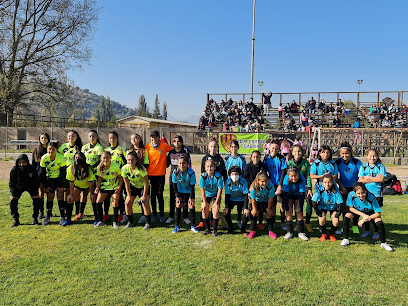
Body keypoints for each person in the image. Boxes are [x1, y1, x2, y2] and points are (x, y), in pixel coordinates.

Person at [341, 183, 393, 251]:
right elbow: (350, 208)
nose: (361, 195)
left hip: (370, 212)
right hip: (358, 210)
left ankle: (383, 243)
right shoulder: (351, 195)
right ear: (355, 192)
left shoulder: (371, 197)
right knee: (346, 217)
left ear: (366, 191)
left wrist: (365, 218)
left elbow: (378, 213)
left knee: (379, 222)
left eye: (363, 193)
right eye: (358, 193)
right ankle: (346, 239)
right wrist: (363, 215)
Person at [277, 144, 313, 232]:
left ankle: (306, 223)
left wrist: (309, 188)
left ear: (302, 152)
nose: (297, 153)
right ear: (292, 153)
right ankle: (291, 225)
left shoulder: (306, 163)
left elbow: (308, 176)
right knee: (288, 206)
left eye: (299, 151)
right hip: (291, 188)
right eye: (295, 151)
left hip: (302, 186)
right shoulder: (289, 163)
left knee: (308, 201)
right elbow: (287, 177)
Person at [358, 149, 386, 240]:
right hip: (365, 194)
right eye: (370, 156)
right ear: (367, 156)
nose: (372, 158)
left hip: (377, 195)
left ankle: (377, 232)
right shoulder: (363, 167)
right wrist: (375, 178)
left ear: (377, 157)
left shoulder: (381, 166)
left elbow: (381, 180)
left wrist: (368, 178)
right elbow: (360, 180)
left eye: (374, 156)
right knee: (366, 212)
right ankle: (367, 230)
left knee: (375, 214)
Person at [146, 130, 173, 223]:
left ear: (158, 138)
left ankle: (161, 214)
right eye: (152, 137)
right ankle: (154, 214)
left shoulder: (164, 146)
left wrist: (167, 162)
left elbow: (173, 151)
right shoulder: (147, 146)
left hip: (161, 175)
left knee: (160, 195)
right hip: (150, 175)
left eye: (155, 137)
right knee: (152, 196)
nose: (153, 139)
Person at [335, 143, 362, 234]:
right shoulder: (338, 162)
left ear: (350, 153)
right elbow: (335, 177)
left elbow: (361, 175)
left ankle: (355, 226)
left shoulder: (356, 162)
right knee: (344, 207)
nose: (345, 155)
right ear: (340, 154)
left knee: (356, 207)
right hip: (344, 188)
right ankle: (345, 225)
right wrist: (341, 187)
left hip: (355, 188)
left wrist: (357, 188)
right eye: (342, 154)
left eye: (347, 153)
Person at [9, 154, 41, 227]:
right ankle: (16, 220)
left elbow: (36, 180)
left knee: (37, 200)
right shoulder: (14, 169)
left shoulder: (31, 169)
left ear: (27, 162)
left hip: (30, 186)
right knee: (13, 201)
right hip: (19, 187)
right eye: (20, 163)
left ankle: (35, 219)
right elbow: (11, 183)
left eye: (23, 163)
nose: (21, 164)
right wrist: (13, 194)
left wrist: (35, 192)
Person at [122, 151, 151, 230]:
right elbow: (126, 183)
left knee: (145, 203)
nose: (130, 162)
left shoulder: (141, 168)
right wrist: (128, 195)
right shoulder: (124, 169)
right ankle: (130, 223)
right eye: (129, 160)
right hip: (133, 187)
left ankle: (148, 223)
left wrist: (144, 196)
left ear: (136, 160)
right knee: (127, 203)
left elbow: (146, 183)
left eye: (132, 160)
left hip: (143, 187)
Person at [64, 152, 95, 226]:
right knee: (70, 199)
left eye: (79, 158)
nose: (77, 159)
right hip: (78, 186)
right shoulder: (71, 168)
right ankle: (68, 219)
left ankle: (97, 218)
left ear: (83, 159)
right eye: (76, 158)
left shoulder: (88, 168)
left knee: (93, 198)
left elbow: (91, 183)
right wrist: (71, 194)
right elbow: (71, 182)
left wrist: (92, 193)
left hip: (88, 185)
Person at [40, 142, 67, 225]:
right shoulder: (44, 158)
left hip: (59, 179)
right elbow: (42, 173)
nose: (51, 151)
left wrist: (61, 186)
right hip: (49, 180)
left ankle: (62, 217)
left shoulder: (61, 158)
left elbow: (63, 173)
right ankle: (47, 217)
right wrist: (46, 186)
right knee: (50, 197)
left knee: (60, 196)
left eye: (53, 149)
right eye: (49, 149)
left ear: (56, 150)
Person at [94, 151, 123, 228]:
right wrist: (97, 187)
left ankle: (115, 222)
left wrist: (119, 188)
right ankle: (101, 221)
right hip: (105, 187)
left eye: (107, 158)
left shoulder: (115, 166)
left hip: (114, 187)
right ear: (101, 158)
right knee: (98, 201)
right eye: (104, 158)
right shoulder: (99, 167)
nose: (105, 159)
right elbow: (99, 178)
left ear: (110, 158)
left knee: (115, 202)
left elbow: (121, 178)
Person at [126, 133, 150, 224]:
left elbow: (146, 164)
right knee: (128, 200)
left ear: (139, 139)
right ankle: (128, 218)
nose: (134, 140)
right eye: (132, 138)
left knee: (144, 200)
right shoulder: (128, 151)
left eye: (136, 138)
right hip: (132, 179)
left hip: (141, 177)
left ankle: (144, 216)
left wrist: (138, 170)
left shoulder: (144, 150)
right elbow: (127, 164)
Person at [80, 130, 104, 222]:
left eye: (93, 136)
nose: (91, 138)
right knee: (84, 193)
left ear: (97, 137)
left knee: (93, 194)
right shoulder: (84, 147)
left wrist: (90, 168)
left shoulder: (99, 147)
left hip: (94, 173)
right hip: (85, 173)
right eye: (90, 136)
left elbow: (98, 161)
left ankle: (96, 215)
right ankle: (80, 213)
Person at [167, 135, 190, 224]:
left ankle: (185, 216)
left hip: (183, 178)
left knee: (184, 197)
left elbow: (189, 164)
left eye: (178, 141)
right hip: (173, 178)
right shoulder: (171, 153)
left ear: (182, 142)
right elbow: (166, 164)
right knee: (173, 196)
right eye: (175, 141)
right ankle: (171, 216)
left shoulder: (185, 152)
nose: (177, 143)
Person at [312, 174, 343, 242]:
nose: (327, 184)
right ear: (322, 183)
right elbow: (314, 201)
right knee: (321, 219)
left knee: (335, 221)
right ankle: (324, 234)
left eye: (329, 182)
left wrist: (338, 212)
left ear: (332, 182)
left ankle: (332, 234)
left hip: (333, 207)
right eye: (325, 182)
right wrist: (318, 212)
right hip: (323, 207)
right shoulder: (320, 189)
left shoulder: (335, 190)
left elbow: (340, 202)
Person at [171, 156, 198, 234]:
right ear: (178, 164)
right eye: (180, 163)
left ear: (187, 164)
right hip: (179, 191)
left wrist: (191, 197)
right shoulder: (175, 172)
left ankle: (193, 226)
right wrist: (177, 196)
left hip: (189, 191)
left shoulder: (191, 172)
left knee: (191, 206)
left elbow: (192, 186)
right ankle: (177, 226)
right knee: (178, 205)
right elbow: (174, 185)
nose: (182, 165)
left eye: (184, 163)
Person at [264, 139, 287, 231]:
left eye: (276, 148)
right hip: (271, 185)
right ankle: (272, 222)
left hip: (280, 184)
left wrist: (280, 185)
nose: (274, 150)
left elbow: (283, 172)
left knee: (282, 205)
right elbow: (264, 171)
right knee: (272, 204)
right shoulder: (266, 158)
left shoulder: (282, 158)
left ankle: (282, 222)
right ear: (269, 148)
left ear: (279, 149)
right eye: (272, 148)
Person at [281, 167, 309, 241]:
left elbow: (302, 194)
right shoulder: (286, 179)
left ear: (299, 175)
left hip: (298, 195)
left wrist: (299, 207)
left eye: (295, 175)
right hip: (289, 195)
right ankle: (289, 232)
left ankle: (301, 232)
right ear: (288, 176)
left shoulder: (302, 178)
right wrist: (287, 207)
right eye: (292, 176)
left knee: (299, 211)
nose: (294, 178)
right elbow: (285, 194)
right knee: (289, 211)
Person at [104, 131, 127, 223]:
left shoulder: (121, 150)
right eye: (110, 138)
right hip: (108, 177)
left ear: (117, 139)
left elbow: (126, 164)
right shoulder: (106, 150)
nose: (112, 140)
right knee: (106, 196)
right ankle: (106, 213)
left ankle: (121, 213)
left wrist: (122, 155)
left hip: (118, 177)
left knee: (119, 196)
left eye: (114, 138)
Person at [59, 130, 82, 217]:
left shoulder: (79, 147)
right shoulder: (63, 147)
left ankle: (77, 211)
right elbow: (60, 157)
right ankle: (66, 209)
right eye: (69, 136)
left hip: (75, 172)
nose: (70, 138)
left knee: (75, 191)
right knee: (67, 191)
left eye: (72, 136)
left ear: (76, 137)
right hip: (65, 172)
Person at [247, 172, 276, 239]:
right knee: (254, 213)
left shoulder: (271, 186)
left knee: (269, 214)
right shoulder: (254, 187)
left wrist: (269, 208)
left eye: (266, 181)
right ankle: (252, 231)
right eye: (262, 181)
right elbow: (253, 199)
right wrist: (254, 209)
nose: (264, 183)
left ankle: (271, 231)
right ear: (258, 181)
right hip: (256, 201)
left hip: (266, 201)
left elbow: (270, 198)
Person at [200, 159, 224, 237]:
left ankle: (215, 230)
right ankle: (207, 229)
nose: (209, 168)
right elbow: (202, 191)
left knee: (216, 210)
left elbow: (220, 190)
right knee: (204, 209)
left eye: (211, 166)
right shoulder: (203, 177)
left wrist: (216, 202)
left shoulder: (218, 176)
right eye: (207, 167)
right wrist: (204, 202)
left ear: (214, 167)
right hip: (207, 195)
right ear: (205, 168)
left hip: (215, 195)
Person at [224, 166, 249, 235]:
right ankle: (231, 228)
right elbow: (227, 195)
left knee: (246, 213)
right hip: (232, 199)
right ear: (230, 175)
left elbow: (246, 195)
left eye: (236, 174)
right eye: (233, 174)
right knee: (226, 213)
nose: (234, 176)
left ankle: (243, 230)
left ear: (239, 174)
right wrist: (226, 207)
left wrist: (246, 208)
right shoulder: (228, 182)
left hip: (241, 200)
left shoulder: (243, 181)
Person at [31, 132, 50, 219]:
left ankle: (49, 211)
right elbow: (33, 164)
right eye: (42, 138)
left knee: (49, 193)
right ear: (39, 139)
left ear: (48, 139)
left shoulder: (51, 149)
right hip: (40, 175)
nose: (43, 140)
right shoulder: (36, 150)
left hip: (50, 174)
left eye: (45, 138)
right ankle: (41, 212)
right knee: (41, 193)